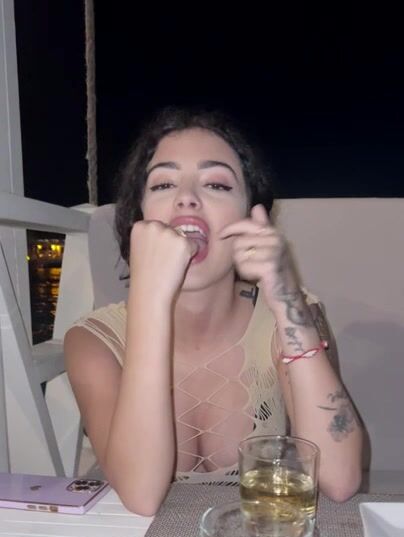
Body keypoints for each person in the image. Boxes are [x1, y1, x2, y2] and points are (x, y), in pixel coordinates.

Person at [64, 107, 363, 515]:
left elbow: (340, 479)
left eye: (217, 184)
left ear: (251, 217)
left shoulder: (291, 317)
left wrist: (285, 296)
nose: (187, 197)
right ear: (140, 218)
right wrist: (150, 298)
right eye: (164, 183)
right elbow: (141, 496)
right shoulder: (92, 342)